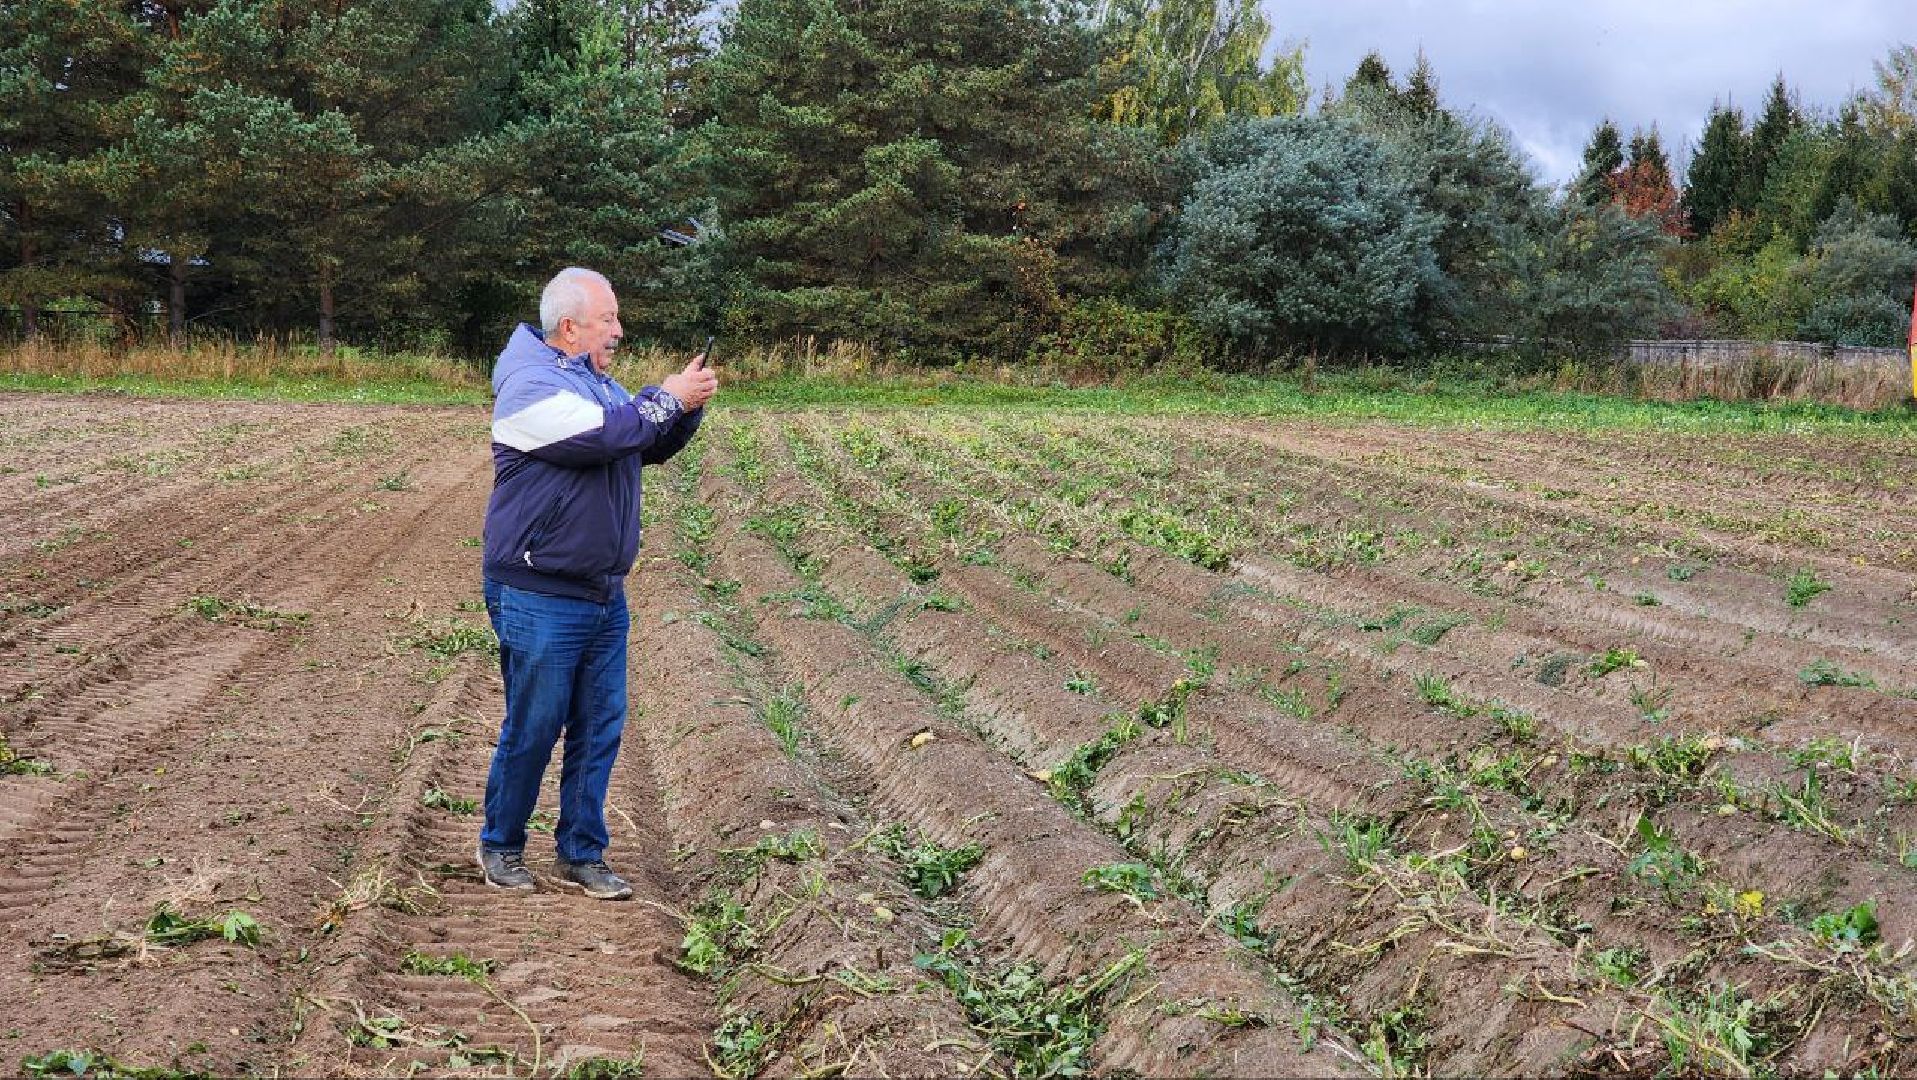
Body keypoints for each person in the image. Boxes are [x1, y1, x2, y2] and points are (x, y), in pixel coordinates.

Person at [476, 266, 717, 899]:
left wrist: (683, 410)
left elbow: (641, 444)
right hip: (539, 589)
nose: (619, 329)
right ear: (570, 326)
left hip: (601, 588)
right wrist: (665, 397)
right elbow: (610, 433)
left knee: (599, 725)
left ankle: (582, 851)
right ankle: (502, 845)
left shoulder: (589, 382)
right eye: (608, 318)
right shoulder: (530, 385)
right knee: (536, 723)